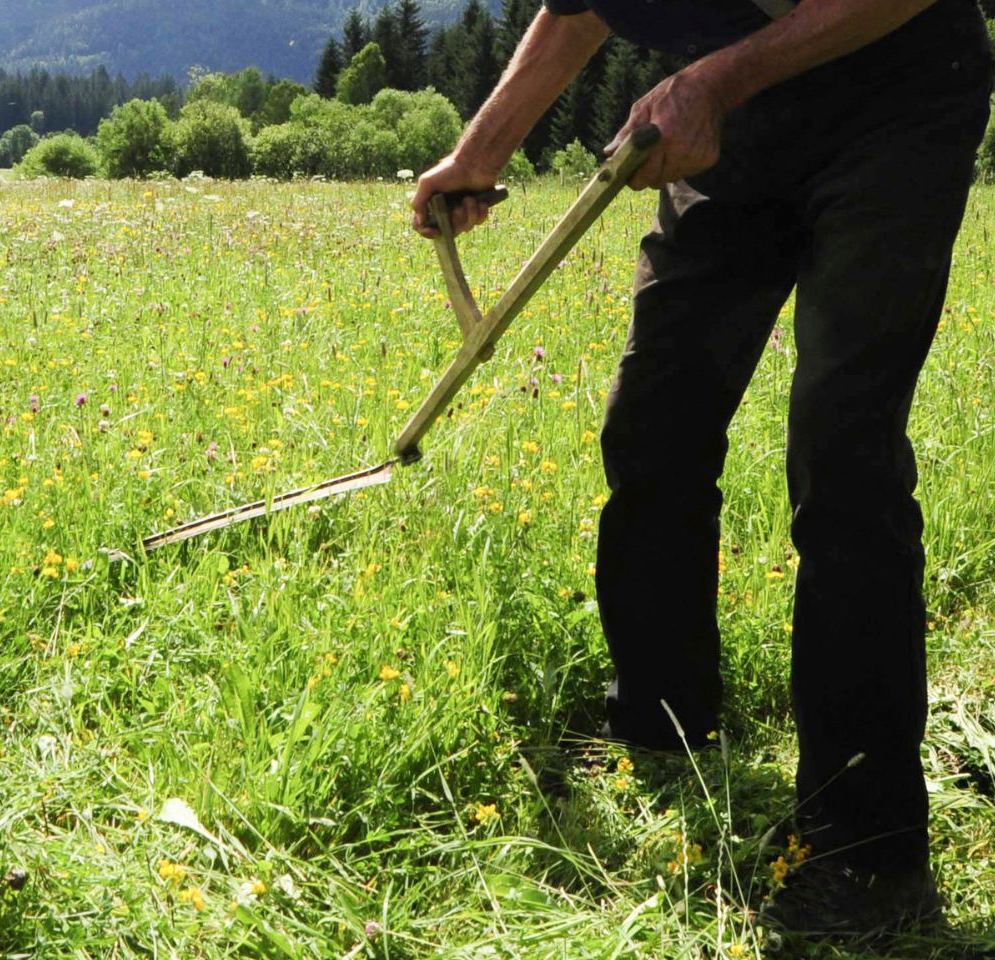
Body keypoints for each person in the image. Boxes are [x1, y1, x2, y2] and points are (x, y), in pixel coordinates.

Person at [411, 0, 993, 939]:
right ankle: (661, 722)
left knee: (843, 448)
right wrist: (482, 149)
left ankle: (869, 855)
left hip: (897, 99)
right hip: (737, 130)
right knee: (654, 420)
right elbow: (577, 5)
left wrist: (714, 80)